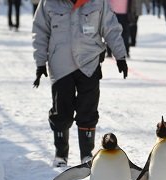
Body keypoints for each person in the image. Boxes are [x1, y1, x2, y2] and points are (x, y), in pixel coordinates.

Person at [32, 0, 129, 167]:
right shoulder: (49, 3)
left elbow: (110, 27)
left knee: (88, 110)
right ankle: (61, 154)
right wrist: (40, 62)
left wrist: (120, 55)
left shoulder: (98, 2)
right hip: (61, 65)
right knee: (61, 111)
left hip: (89, 64)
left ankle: (86, 154)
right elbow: (40, 32)